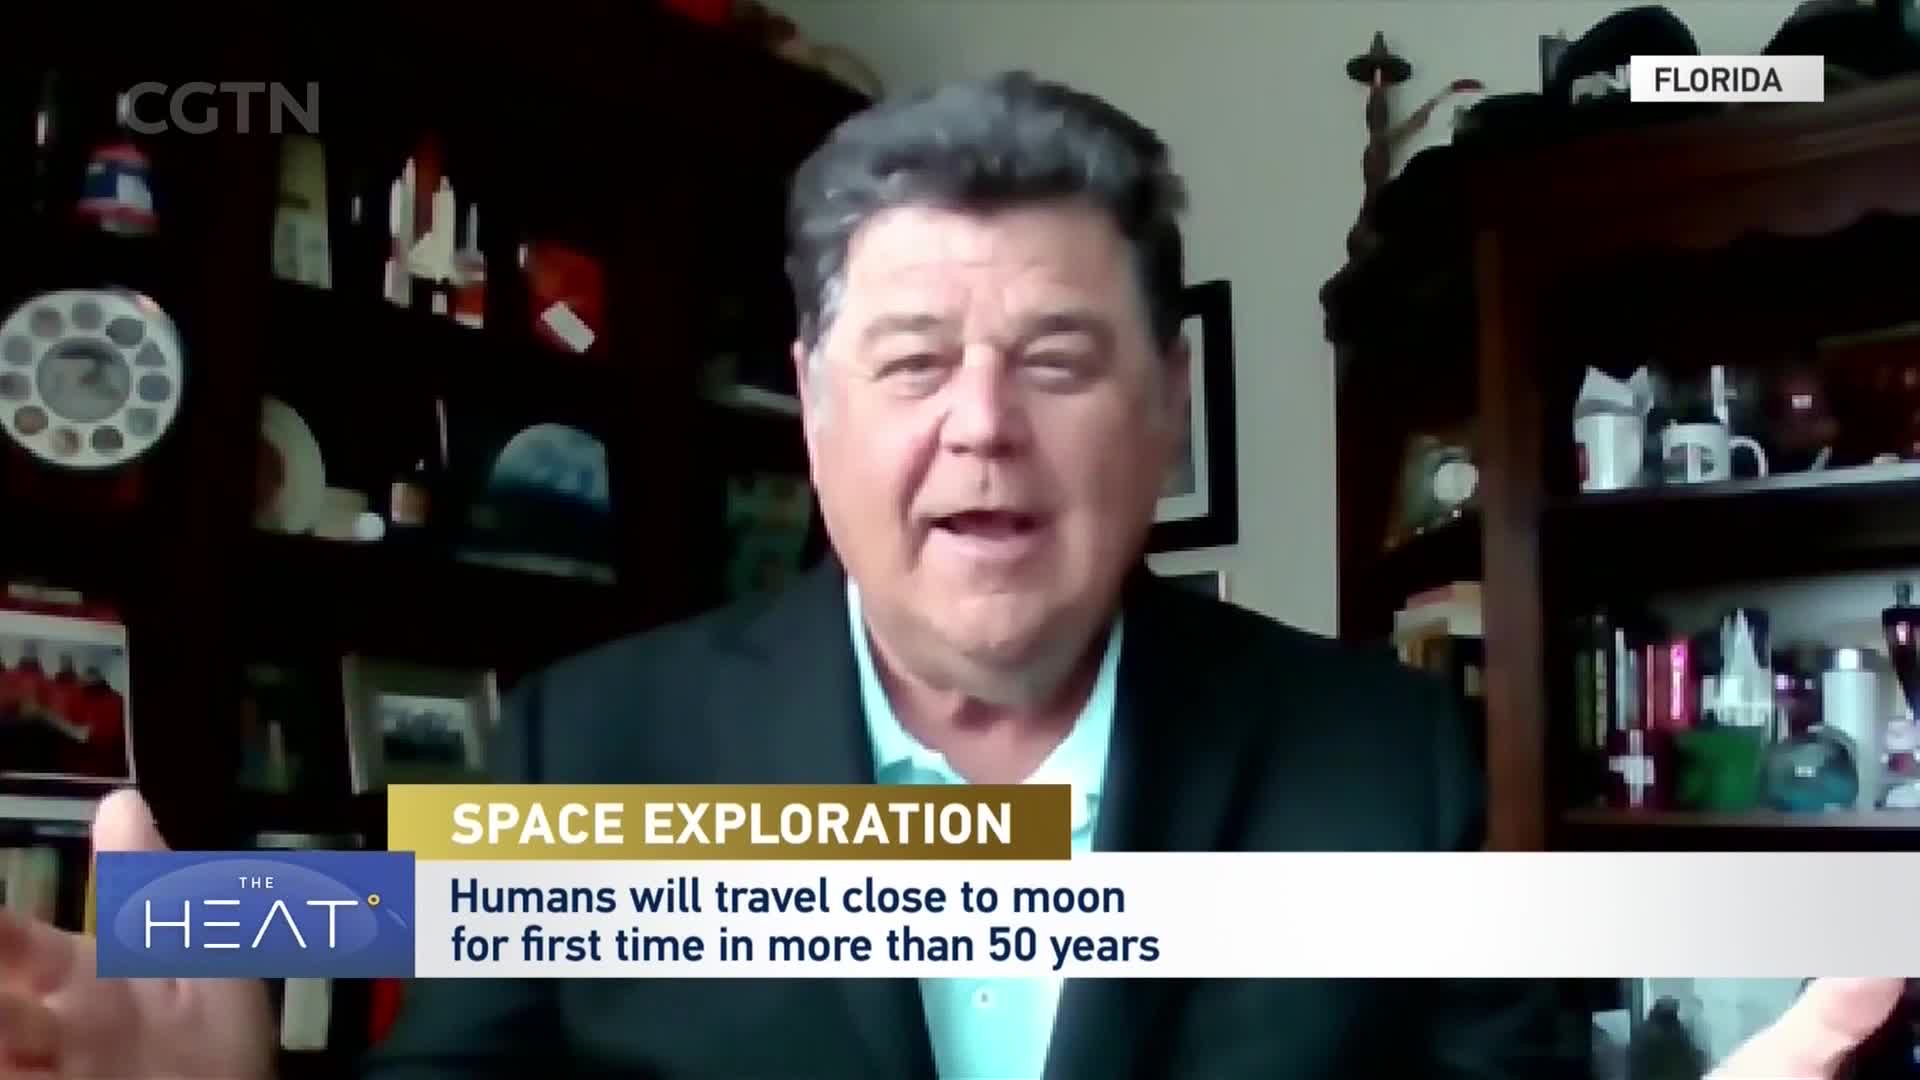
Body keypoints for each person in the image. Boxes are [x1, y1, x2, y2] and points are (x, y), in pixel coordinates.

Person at [0, 71, 1904, 1080]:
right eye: (913, 362)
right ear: (818, 407)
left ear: (1164, 410)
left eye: (1058, 360)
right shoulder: (593, 745)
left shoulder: (1383, 768)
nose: (982, 428)